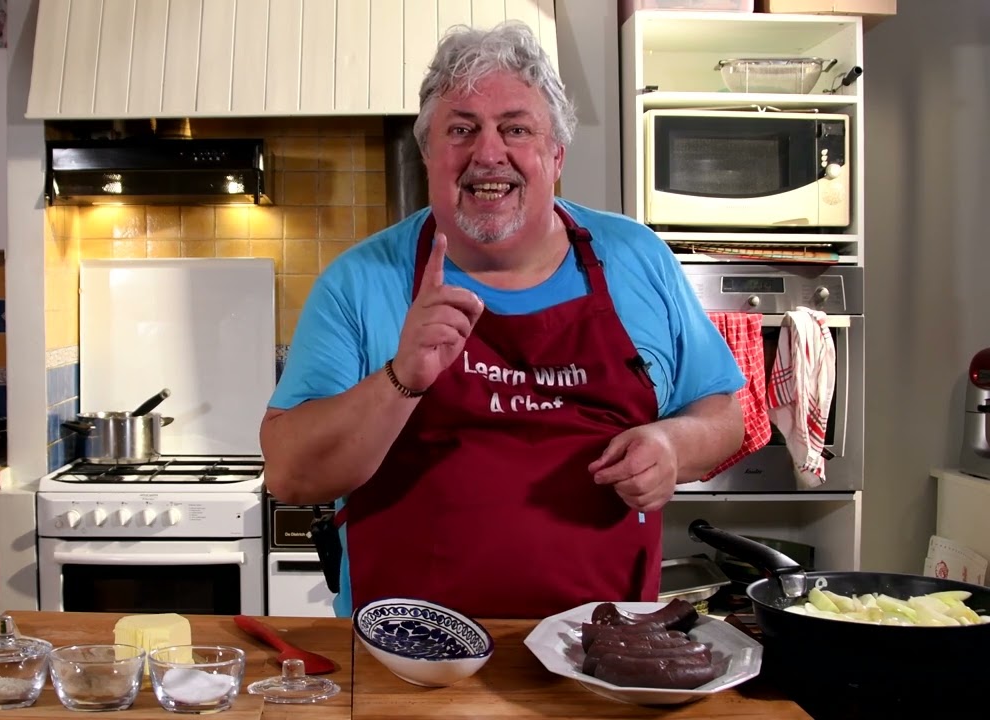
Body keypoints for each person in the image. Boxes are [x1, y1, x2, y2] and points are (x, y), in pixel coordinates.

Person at [260, 20, 745, 620]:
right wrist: (400, 379)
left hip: (603, 658)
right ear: (429, 151)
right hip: (408, 663)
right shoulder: (360, 281)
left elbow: (723, 415)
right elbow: (289, 474)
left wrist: (673, 444)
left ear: (555, 154)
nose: (488, 153)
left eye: (515, 128)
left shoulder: (636, 258)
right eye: (461, 129)